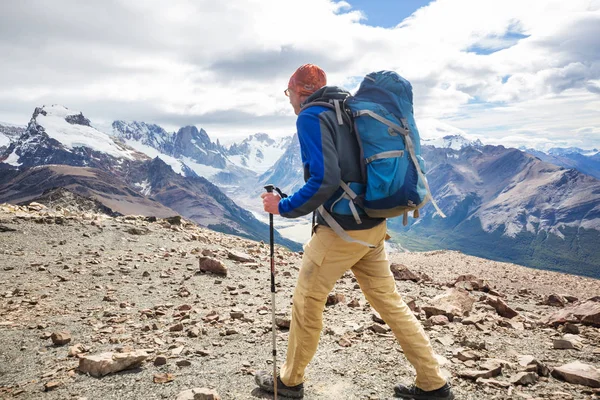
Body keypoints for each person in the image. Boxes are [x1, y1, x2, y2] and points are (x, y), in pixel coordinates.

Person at [255, 64, 454, 400]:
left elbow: (325, 180)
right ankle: (433, 382)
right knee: (391, 304)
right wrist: (292, 200)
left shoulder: (310, 116)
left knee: (306, 303)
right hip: (373, 226)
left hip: (340, 234)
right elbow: (347, 175)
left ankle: (288, 382)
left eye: (288, 92)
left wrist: (283, 207)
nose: (288, 98)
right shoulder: (348, 108)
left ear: (299, 90)